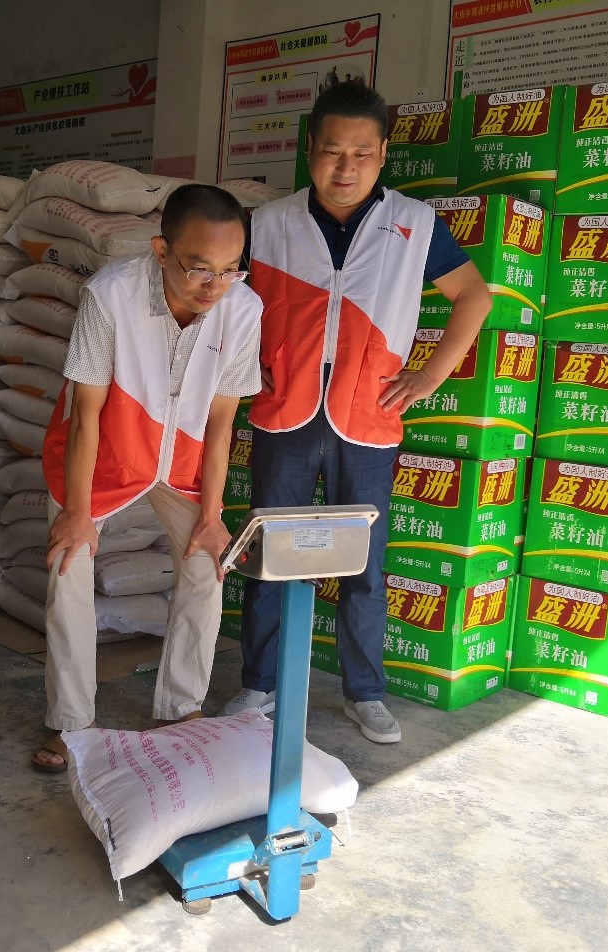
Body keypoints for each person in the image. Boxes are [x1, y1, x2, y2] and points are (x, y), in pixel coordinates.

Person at [222, 83, 492, 744]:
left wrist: (429, 374)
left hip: (367, 417)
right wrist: (241, 363)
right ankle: (259, 682)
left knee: (364, 568)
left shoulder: (414, 224)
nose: (346, 167)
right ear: (309, 149)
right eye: (332, 151)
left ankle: (365, 692)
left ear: (383, 154)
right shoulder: (269, 224)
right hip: (284, 412)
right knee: (271, 554)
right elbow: (224, 298)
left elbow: (474, 296)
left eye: (362, 153)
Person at [32, 184, 264, 773]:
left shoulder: (243, 311)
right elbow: (86, 413)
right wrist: (77, 512)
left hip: (181, 463)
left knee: (207, 562)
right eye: (199, 268)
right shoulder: (110, 296)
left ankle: (182, 706)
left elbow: (222, 424)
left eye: (230, 269)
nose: (215, 285)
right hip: (104, 458)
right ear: (161, 251)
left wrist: (212, 518)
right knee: (69, 563)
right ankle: (70, 722)